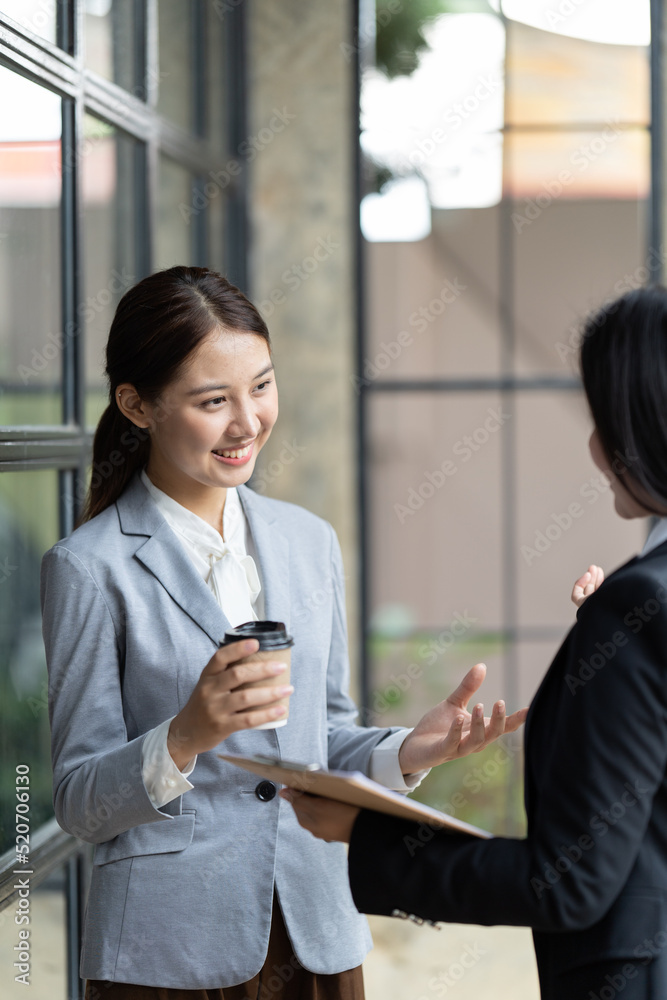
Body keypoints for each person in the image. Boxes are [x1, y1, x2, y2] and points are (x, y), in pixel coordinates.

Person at [42, 266, 526, 1000]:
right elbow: (80, 802)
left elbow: (319, 740)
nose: (247, 422)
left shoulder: (307, 542)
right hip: (164, 953)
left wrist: (406, 750)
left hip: (314, 934)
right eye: (213, 401)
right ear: (136, 405)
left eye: (261, 387)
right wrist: (186, 734)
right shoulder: (88, 568)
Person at [284, 285, 667, 1000]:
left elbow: (568, 885)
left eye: (601, 419)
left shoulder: (636, 605)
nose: (593, 446)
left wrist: (361, 838)